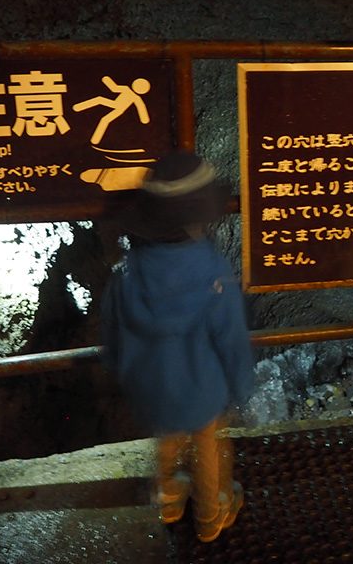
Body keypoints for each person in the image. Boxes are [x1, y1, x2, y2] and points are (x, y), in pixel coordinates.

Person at [100, 150, 255, 540]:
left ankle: (168, 502)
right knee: (209, 449)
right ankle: (210, 516)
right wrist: (241, 388)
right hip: (202, 391)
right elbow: (231, 339)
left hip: (151, 389)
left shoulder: (125, 273)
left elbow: (112, 335)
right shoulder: (214, 273)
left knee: (167, 445)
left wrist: (123, 372)